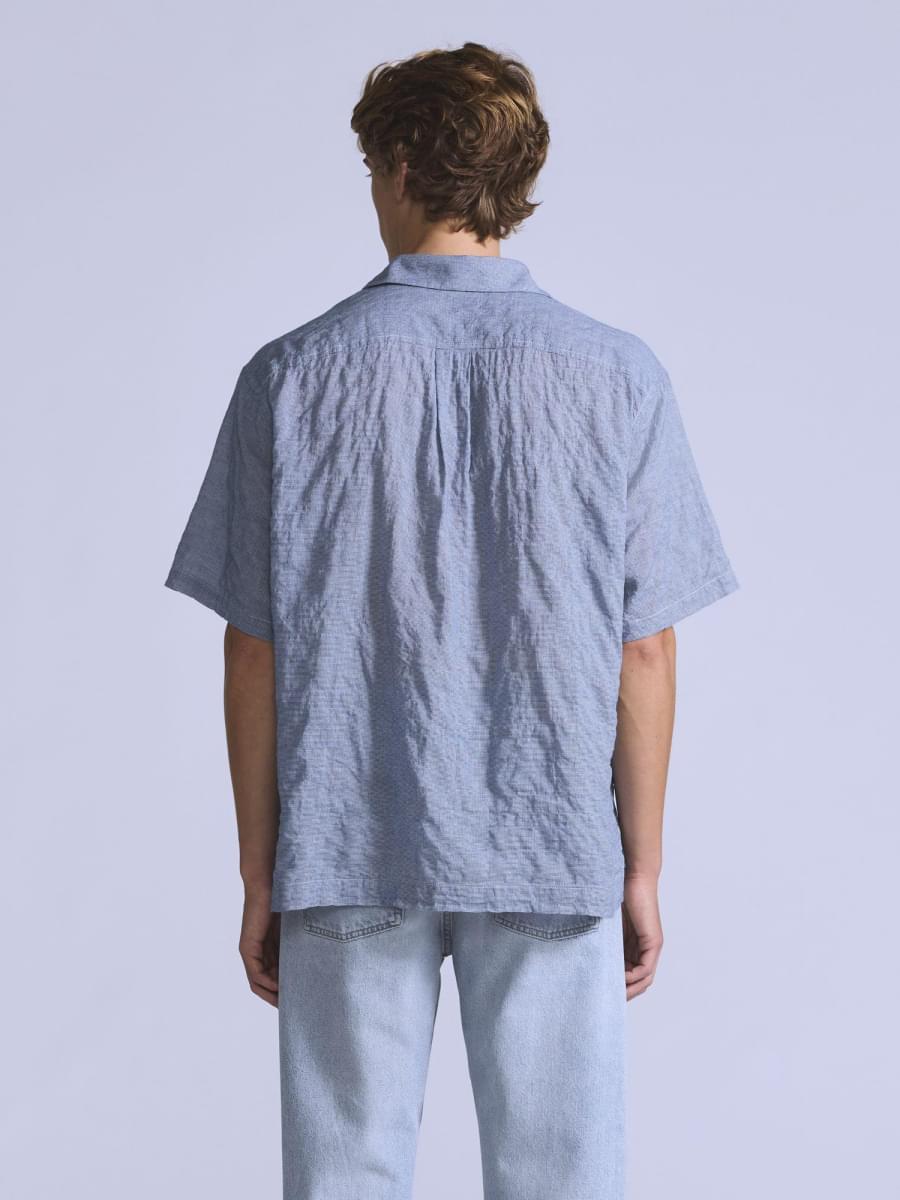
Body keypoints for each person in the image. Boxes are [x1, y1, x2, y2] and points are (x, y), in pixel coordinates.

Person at [164, 41, 738, 1200]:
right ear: (513, 178)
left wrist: (260, 871)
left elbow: (253, 646)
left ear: (396, 164)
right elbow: (645, 647)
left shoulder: (291, 376)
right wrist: (641, 865)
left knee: (346, 1178)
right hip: (548, 839)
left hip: (347, 836)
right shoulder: (618, 374)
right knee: (563, 1180)